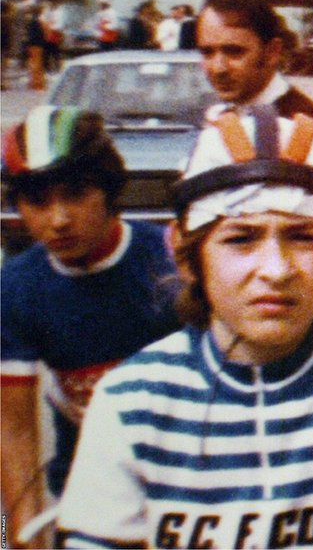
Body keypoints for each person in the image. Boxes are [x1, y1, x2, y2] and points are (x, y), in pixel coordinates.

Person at [56, 107, 313, 549]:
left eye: (303, 236)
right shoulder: (132, 399)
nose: (275, 270)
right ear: (188, 259)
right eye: (241, 239)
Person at [1, 106, 180, 547]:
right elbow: (14, 428)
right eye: (38, 202)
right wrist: (23, 538)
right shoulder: (15, 288)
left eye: (76, 194)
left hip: (187, 485)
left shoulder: (171, 261)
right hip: (86, 493)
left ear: (110, 190)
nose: (59, 219)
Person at [197, 0, 313, 152]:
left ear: (272, 52)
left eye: (234, 51)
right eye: (207, 52)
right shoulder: (227, 114)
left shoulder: (304, 131)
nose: (218, 68)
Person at [38, 0, 64, 72]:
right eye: (50, 3)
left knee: (55, 52)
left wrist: (50, 26)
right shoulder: (47, 11)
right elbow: (42, 19)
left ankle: (57, 68)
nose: (51, 4)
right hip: (46, 34)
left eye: (52, 2)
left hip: (54, 34)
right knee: (46, 53)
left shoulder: (60, 12)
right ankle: (46, 69)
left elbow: (60, 25)